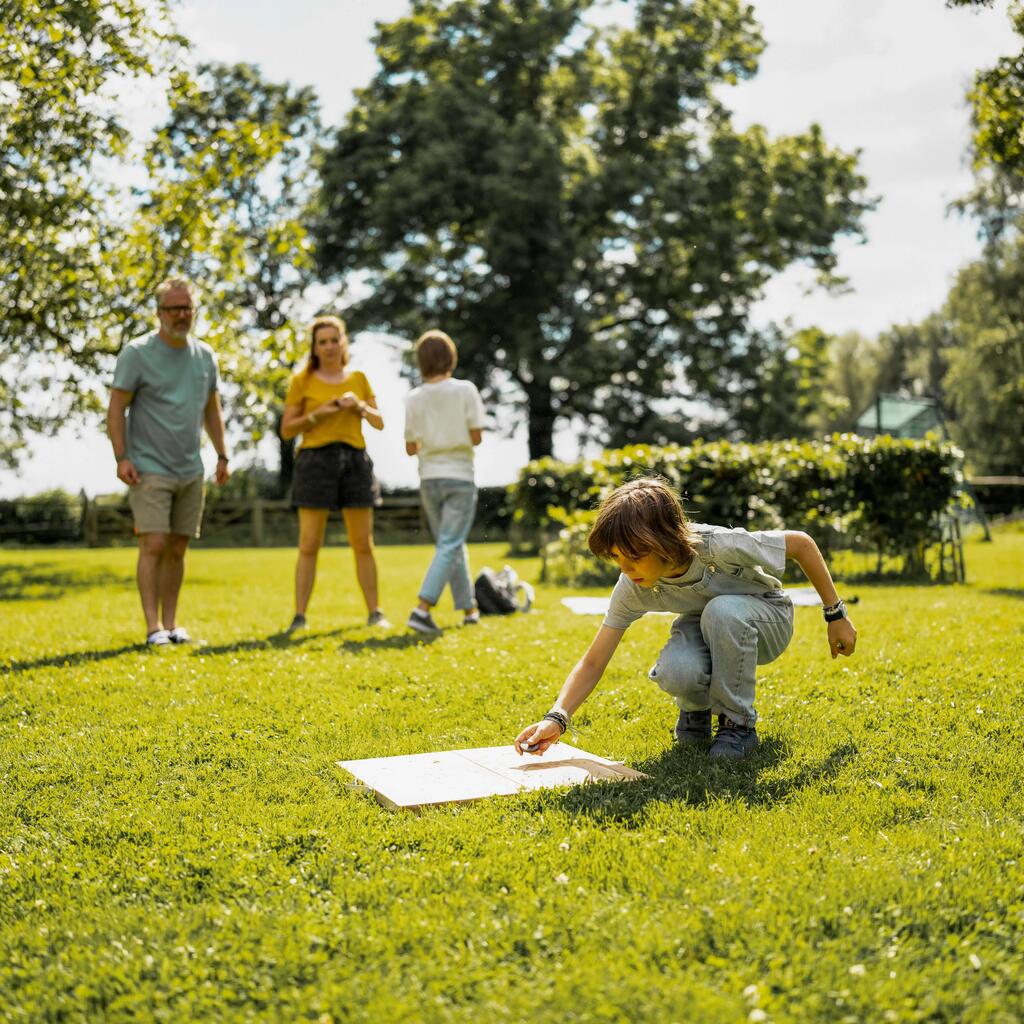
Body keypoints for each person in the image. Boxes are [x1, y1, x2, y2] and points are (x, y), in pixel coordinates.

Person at [514, 477, 858, 761]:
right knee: (675, 667)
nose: (625, 568)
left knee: (721, 610)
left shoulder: (717, 546)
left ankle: (738, 725)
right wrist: (556, 718)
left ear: (664, 542)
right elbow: (593, 660)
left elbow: (802, 545)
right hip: (706, 626)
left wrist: (835, 614)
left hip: (766, 619)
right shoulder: (632, 584)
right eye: (617, 558)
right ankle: (695, 712)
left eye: (633, 557)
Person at [106, 277, 230, 646]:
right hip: (147, 466)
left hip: (191, 467)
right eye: (173, 308)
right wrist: (121, 456)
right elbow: (116, 409)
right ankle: (153, 627)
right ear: (159, 312)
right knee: (154, 545)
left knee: (178, 548)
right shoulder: (137, 353)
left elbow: (212, 410)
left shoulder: (205, 356)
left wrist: (222, 454)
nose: (181, 315)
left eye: (186, 308)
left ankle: (173, 625)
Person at [280, 315, 389, 633]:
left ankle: (375, 613)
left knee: (363, 543)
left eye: (333, 340)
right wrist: (318, 414)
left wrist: (361, 409)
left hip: (354, 461)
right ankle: (299, 616)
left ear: (344, 342)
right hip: (315, 462)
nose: (328, 347)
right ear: (314, 348)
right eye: (322, 342)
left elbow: (380, 422)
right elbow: (287, 430)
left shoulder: (359, 378)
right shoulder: (302, 380)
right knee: (309, 543)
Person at [403, 330, 486, 633]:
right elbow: (476, 437)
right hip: (460, 477)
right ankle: (422, 609)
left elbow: (410, 447)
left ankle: (469, 609)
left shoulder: (413, 397)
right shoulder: (465, 390)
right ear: (451, 358)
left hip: (429, 479)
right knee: (450, 544)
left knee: (449, 545)